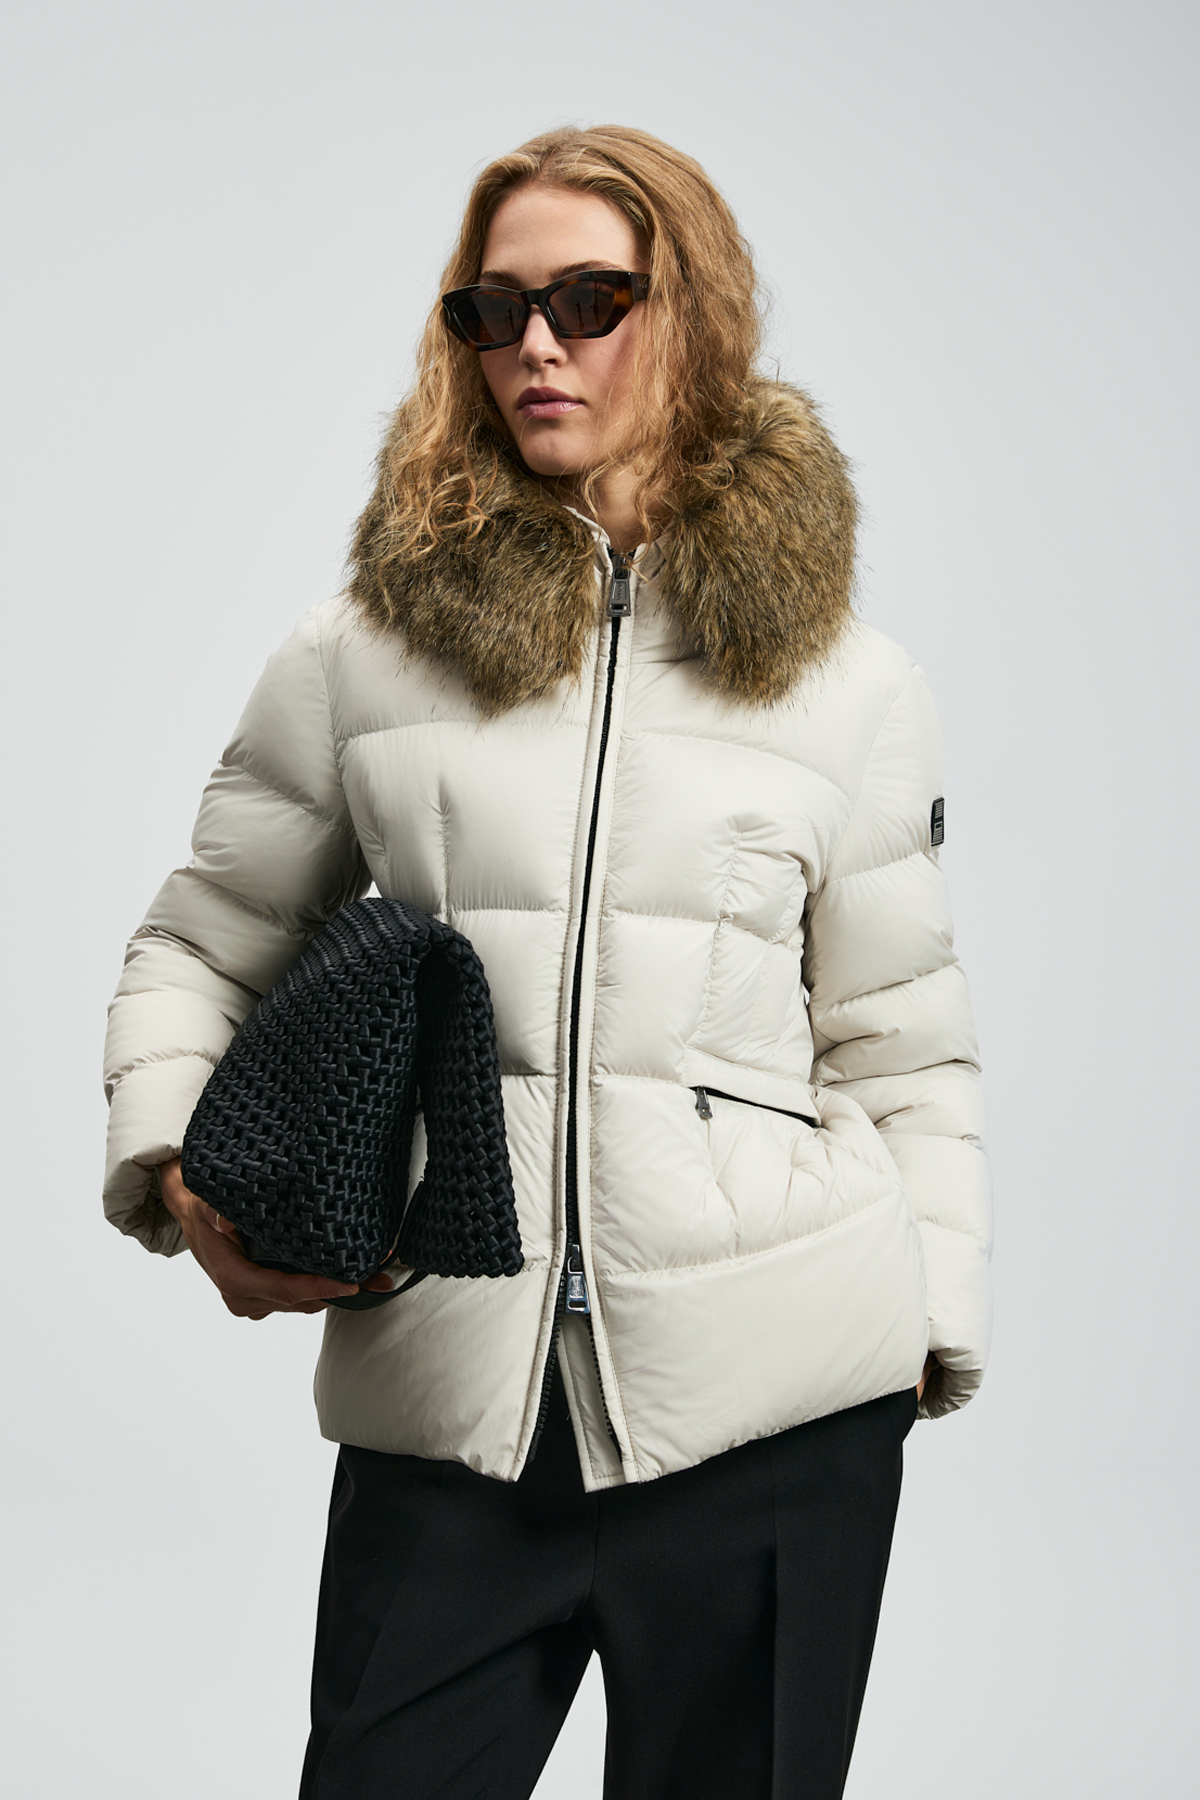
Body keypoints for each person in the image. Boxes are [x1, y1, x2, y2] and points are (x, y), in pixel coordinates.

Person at [103, 124, 992, 1799]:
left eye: (589, 300)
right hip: (453, 1396)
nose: (536, 344)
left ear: (692, 313)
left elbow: (898, 1037)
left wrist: (921, 1338)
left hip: (777, 1421)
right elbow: (200, 941)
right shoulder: (362, 652)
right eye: (492, 308)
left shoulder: (851, 685)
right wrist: (173, 1169)